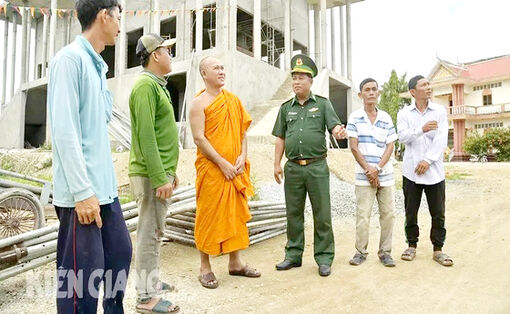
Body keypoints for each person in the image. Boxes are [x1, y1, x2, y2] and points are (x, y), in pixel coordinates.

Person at [47, 0, 132, 312]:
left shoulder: (96, 64)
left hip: (104, 191)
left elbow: (101, 121)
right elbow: (65, 132)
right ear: (104, 15)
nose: (121, 25)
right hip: (80, 195)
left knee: (119, 256)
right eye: (119, 16)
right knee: (80, 281)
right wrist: (83, 193)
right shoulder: (69, 61)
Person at [189, 56, 261, 289]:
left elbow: (242, 132)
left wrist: (242, 156)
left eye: (222, 67)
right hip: (212, 170)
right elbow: (199, 138)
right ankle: (205, 267)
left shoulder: (233, 101)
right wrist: (222, 163)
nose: (221, 71)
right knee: (208, 215)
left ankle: (236, 262)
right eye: (215, 68)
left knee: (236, 215)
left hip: (235, 169)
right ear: (204, 74)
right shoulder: (198, 104)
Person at [272, 54, 347, 277]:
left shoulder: (322, 104)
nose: (296, 82)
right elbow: (280, 138)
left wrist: (339, 131)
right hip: (293, 167)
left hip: (317, 167)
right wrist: (276, 164)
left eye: (301, 77)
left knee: (321, 213)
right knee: (293, 213)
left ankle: (324, 258)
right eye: (294, 77)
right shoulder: (286, 108)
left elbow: (334, 127)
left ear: (311, 80)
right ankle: (293, 255)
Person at [129, 33, 180, 313]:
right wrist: (160, 177)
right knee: (149, 232)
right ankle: (146, 297)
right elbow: (146, 137)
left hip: (158, 172)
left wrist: (169, 171)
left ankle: (152, 282)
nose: (170, 55)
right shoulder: (145, 86)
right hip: (150, 176)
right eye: (166, 51)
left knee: (156, 230)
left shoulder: (157, 85)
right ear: (155, 55)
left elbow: (161, 136)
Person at [397, 75, 453, 266]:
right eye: (424, 85)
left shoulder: (439, 111)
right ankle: (411, 245)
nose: (429, 87)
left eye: (429, 84)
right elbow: (403, 137)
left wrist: (428, 160)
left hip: (434, 171)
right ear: (413, 92)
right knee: (410, 211)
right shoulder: (404, 114)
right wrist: (421, 129)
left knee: (438, 212)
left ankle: (438, 249)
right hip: (411, 172)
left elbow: (441, 139)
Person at [346, 78, 397, 267]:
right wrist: (369, 170)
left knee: (388, 214)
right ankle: (360, 252)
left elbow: (390, 145)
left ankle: (385, 252)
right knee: (363, 216)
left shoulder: (385, 118)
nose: (371, 92)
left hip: (386, 175)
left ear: (379, 93)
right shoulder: (355, 118)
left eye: (374, 89)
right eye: (367, 90)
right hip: (363, 176)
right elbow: (353, 146)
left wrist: (378, 169)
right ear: (360, 95)